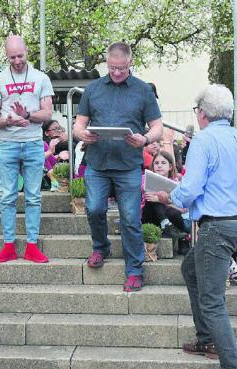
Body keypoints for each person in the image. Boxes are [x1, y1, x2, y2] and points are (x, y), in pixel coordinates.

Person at [149, 84, 237, 369]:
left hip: (217, 228)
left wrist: (168, 196)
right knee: (190, 269)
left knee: (212, 303)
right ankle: (206, 338)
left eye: (197, 111)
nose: (196, 116)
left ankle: (231, 365)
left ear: (204, 113)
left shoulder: (204, 141)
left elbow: (191, 188)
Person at [72, 41, 163, 292]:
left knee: (131, 218)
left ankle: (135, 270)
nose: (117, 73)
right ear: (107, 62)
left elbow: (158, 127)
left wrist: (144, 139)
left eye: (121, 68)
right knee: (94, 209)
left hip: (129, 166)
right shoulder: (93, 89)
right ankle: (101, 248)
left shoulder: (143, 90)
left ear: (130, 62)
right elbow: (78, 125)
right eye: (112, 68)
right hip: (97, 164)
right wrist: (83, 135)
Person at [0, 35, 54, 264]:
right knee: (7, 196)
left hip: (34, 143)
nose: (17, 61)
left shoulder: (41, 78)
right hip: (8, 144)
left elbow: (47, 114)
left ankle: (32, 246)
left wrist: (27, 115)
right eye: (12, 57)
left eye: (20, 55)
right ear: (7, 55)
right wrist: (8, 121)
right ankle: (9, 246)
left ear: (27, 51)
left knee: (33, 196)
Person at [143, 151, 188, 237]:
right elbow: (148, 198)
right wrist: (159, 198)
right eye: (156, 163)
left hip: (173, 216)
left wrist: (164, 201)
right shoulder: (145, 179)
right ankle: (165, 224)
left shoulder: (176, 183)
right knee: (153, 197)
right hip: (151, 216)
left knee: (172, 210)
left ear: (170, 166)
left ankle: (169, 227)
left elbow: (183, 209)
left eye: (163, 163)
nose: (159, 166)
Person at [42, 119, 69, 191]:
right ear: (46, 133)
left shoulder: (64, 141)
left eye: (60, 128)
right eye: (55, 129)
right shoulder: (45, 143)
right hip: (48, 174)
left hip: (58, 171)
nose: (59, 131)